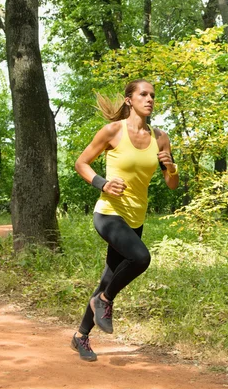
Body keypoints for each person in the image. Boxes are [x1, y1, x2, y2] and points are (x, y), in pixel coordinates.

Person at [70, 78, 179, 361]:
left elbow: (172, 184)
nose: (150, 99)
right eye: (143, 94)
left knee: (109, 277)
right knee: (141, 258)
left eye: (153, 95)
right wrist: (102, 183)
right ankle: (104, 301)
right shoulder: (112, 131)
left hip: (135, 217)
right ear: (129, 100)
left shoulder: (161, 137)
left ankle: (80, 336)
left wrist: (171, 166)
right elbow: (81, 163)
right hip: (108, 214)